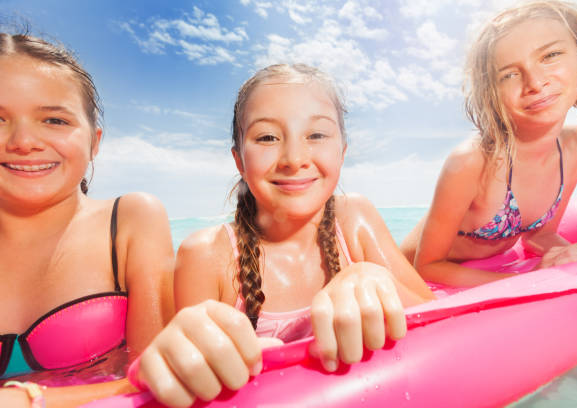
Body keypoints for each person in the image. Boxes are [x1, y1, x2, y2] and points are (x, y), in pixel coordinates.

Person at [132, 63, 435, 408]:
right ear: (239, 161)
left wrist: (374, 277)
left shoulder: (354, 220)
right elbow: (197, 382)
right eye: (267, 137)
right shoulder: (207, 255)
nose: (294, 158)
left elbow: (443, 320)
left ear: (342, 151)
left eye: (317, 135)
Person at [0, 32, 175, 406]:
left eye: (54, 120)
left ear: (94, 142)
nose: (23, 141)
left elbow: (158, 380)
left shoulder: (130, 222)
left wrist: (27, 399)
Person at [401, 0, 577, 288]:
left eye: (550, 55)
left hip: (485, 269)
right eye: (510, 74)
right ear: (493, 92)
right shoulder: (473, 161)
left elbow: (540, 235)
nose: (535, 82)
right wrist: (528, 281)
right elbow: (428, 267)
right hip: (415, 275)